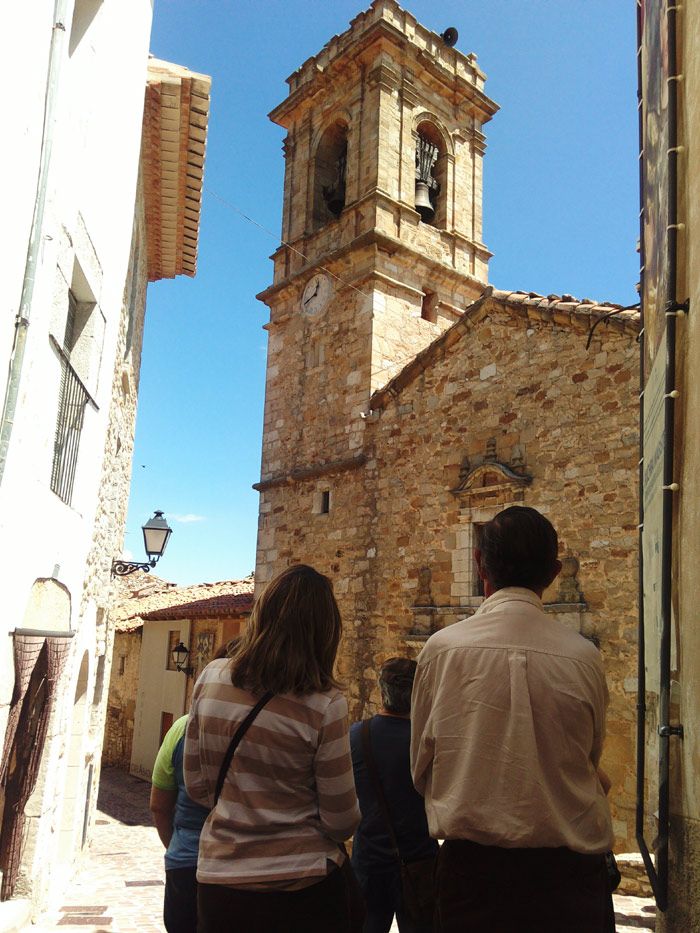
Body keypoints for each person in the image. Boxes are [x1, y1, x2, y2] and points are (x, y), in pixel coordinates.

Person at [411, 506, 615, 933]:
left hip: (473, 879)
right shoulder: (585, 658)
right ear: (554, 572)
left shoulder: (441, 651)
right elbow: (590, 757)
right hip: (570, 880)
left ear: (479, 564)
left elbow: (421, 768)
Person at [183, 564, 362, 933]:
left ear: (262, 613)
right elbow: (340, 820)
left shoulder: (211, 678)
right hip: (302, 889)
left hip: (221, 886)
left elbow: (197, 786)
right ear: (325, 630)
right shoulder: (325, 704)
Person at [350, 658, 438, 933]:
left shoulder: (356, 736)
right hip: (419, 858)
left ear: (381, 690)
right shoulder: (426, 743)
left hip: (369, 858)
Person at [150, 714, 210, 933]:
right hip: (246, 869)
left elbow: (159, 806)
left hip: (186, 861)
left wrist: (176, 845)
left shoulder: (182, 728)